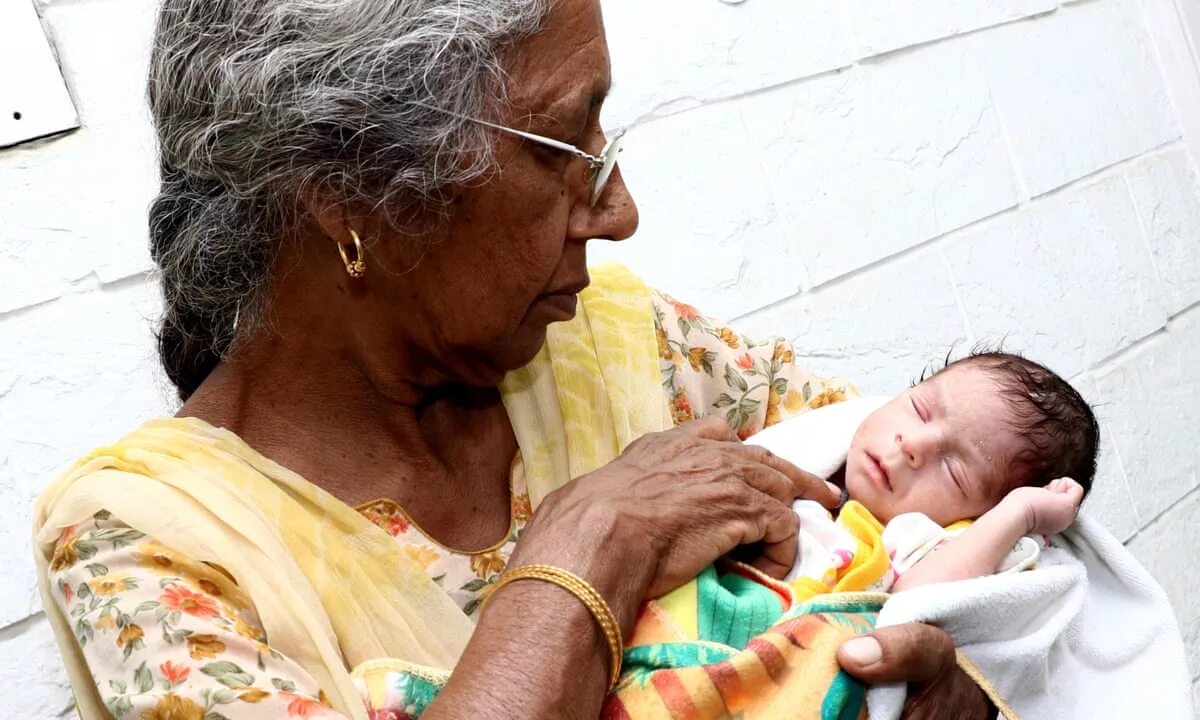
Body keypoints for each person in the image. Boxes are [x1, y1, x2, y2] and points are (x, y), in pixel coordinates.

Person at [33, 1, 997, 719]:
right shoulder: (150, 543)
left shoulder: (622, 343)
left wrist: (960, 689)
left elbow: (976, 527)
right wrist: (589, 552)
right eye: (565, 142)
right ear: (349, 195)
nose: (619, 211)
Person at [786, 351, 1098, 597]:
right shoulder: (802, 433)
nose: (913, 444)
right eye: (920, 409)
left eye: (953, 470)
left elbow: (913, 605)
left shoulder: (931, 544)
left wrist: (1022, 512)